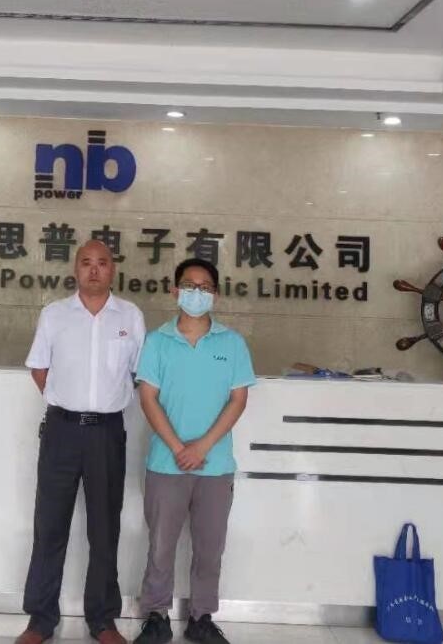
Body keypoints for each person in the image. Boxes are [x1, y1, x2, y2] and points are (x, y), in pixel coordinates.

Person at [16, 240, 147, 644]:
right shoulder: (55, 314)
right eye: (86, 262)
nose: (94, 269)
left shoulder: (130, 316)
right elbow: (39, 368)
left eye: (102, 263)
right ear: (75, 269)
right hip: (61, 431)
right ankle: (40, 620)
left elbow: (140, 374)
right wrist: (66, 402)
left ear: (113, 270)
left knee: (104, 529)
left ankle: (103, 620)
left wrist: (101, 403)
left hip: (107, 434)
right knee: (49, 526)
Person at [132, 258, 256, 644]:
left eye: (204, 287)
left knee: (209, 549)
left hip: (215, 465)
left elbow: (238, 400)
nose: (196, 293)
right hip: (165, 463)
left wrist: (201, 446)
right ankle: (156, 616)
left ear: (215, 294)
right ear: (174, 291)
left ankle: (201, 618)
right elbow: (148, 398)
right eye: (189, 285)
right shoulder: (157, 341)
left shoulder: (232, 343)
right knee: (160, 547)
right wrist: (177, 447)